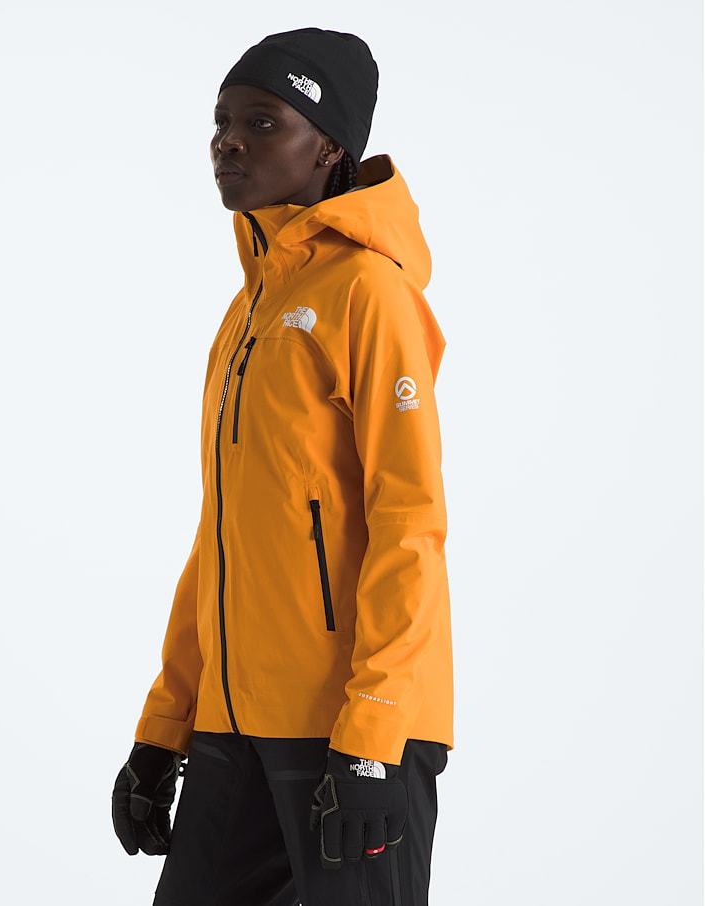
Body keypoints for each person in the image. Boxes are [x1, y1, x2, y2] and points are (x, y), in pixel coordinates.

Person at [112, 27, 454, 906]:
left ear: (329, 146)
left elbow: (409, 525)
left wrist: (373, 735)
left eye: (262, 123)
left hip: (350, 726)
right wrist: (165, 725)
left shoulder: (370, 295)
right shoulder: (252, 310)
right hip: (234, 723)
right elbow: (227, 536)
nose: (229, 142)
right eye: (221, 122)